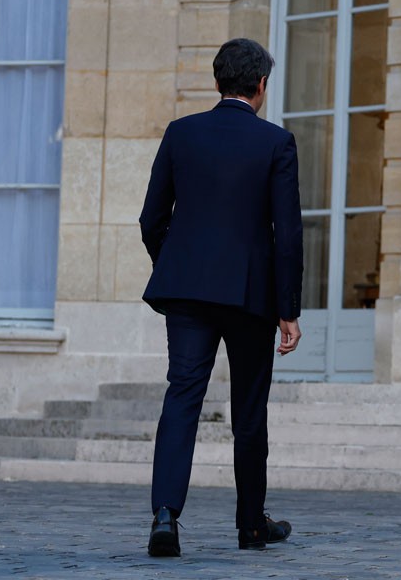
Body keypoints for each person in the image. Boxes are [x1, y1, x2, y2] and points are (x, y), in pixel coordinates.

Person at [138, 37, 303, 557]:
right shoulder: (276, 143)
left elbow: (150, 219)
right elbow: (288, 235)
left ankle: (165, 515)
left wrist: (177, 265)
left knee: (182, 397)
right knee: (249, 410)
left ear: (217, 83)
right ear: (260, 87)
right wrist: (288, 310)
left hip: (186, 291)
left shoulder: (181, 134)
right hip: (250, 295)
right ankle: (251, 524)